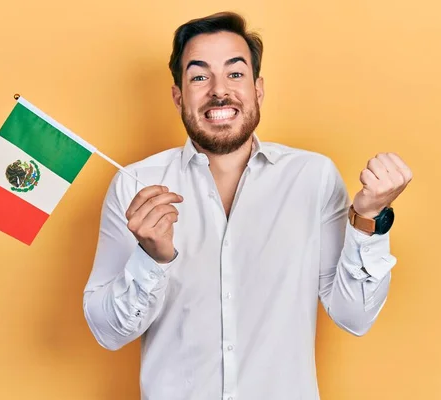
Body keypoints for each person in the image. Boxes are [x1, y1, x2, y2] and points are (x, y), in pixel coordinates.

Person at [83, 11, 412, 400]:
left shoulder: (312, 177)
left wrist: (368, 220)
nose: (219, 91)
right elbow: (107, 332)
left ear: (258, 89)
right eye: (199, 76)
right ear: (178, 96)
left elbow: (354, 316)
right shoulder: (134, 184)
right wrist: (150, 259)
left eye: (235, 73)